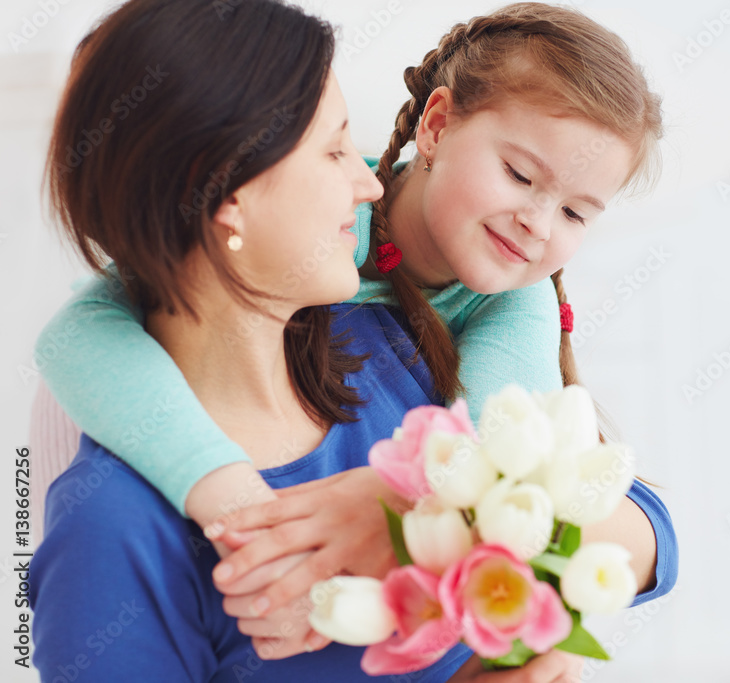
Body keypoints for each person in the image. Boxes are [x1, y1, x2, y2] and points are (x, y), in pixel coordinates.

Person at [33, 0, 678, 665]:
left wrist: (420, 501)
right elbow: (76, 341)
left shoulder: (427, 349)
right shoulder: (120, 468)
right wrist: (237, 507)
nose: (367, 181)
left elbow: (557, 494)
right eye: (334, 148)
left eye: (575, 211)